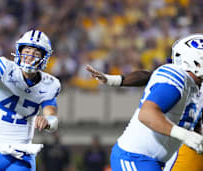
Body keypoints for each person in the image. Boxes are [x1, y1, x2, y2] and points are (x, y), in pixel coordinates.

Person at [86, 34, 203, 170]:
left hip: (153, 160)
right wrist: (185, 135)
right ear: (194, 62)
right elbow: (147, 114)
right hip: (135, 158)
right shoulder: (177, 76)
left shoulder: (193, 86)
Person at [0, 29, 61, 171]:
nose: (30, 56)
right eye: (27, 51)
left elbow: (52, 117)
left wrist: (48, 121)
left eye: (36, 53)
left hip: (22, 150)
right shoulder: (5, 66)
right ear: (19, 51)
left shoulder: (50, 84)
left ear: (44, 57)